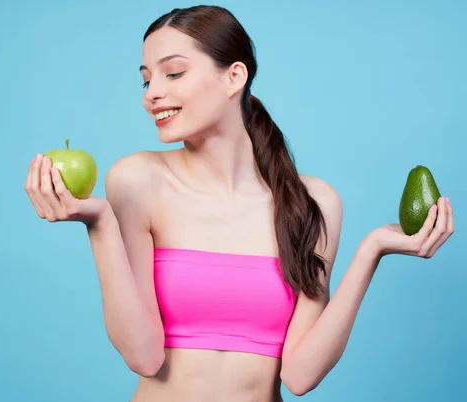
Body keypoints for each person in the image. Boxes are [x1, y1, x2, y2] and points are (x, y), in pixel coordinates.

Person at [24, 5, 454, 401]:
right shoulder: (137, 180)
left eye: (172, 74)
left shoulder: (313, 203)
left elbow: (300, 376)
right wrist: (99, 224)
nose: (151, 93)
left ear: (234, 77)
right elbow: (143, 356)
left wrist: (372, 249)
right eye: (145, 78)